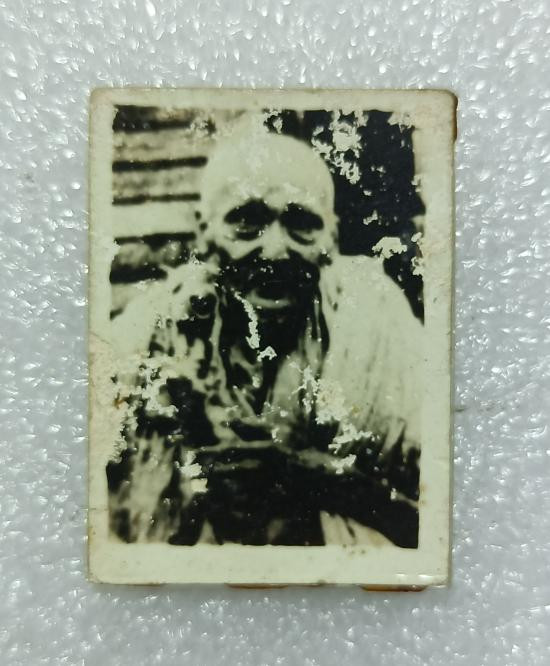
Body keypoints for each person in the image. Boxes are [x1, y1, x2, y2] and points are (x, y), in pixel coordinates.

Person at [106, 122, 423, 548]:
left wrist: (307, 476)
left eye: (300, 223)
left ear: (331, 236)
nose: (275, 250)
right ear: (203, 231)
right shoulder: (150, 329)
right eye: (246, 221)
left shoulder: (373, 317)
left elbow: (439, 522)